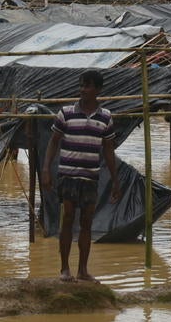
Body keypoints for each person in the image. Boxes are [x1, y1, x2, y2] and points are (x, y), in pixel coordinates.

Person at [42, 69, 121, 283]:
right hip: (68, 175)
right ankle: (65, 269)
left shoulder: (105, 117)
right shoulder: (66, 113)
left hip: (90, 177)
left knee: (87, 222)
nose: (82, 90)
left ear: (97, 90)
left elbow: (108, 150)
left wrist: (115, 181)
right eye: (81, 85)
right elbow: (53, 142)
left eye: (87, 86)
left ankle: (83, 270)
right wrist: (46, 169)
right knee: (67, 218)